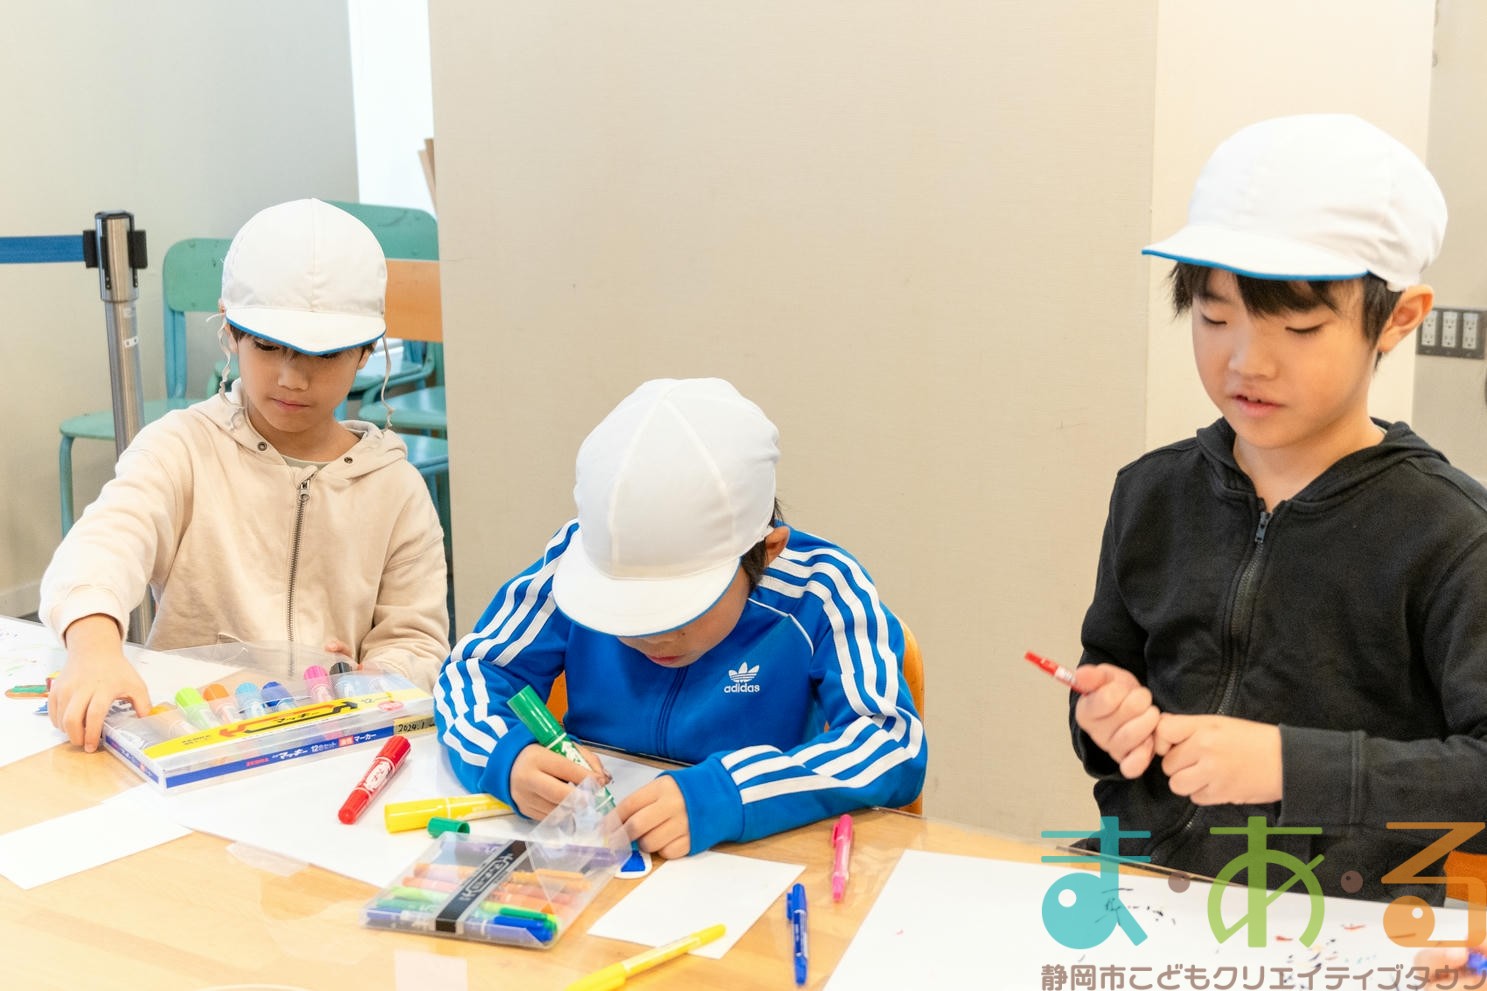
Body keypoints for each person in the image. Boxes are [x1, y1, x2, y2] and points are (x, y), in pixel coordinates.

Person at [1069, 114, 1487, 903]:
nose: (1245, 361)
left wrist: (1291, 768)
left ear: (1398, 317)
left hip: (1341, 921)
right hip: (1143, 891)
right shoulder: (1151, 491)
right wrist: (1103, 718)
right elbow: (1110, 668)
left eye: (1297, 326)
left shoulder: (1452, 533)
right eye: (1213, 317)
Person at [436, 377, 925, 858]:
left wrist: (731, 794)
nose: (652, 636)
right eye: (622, 608)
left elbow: (891, 742)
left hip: (750, 862)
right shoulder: (575, 558)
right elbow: (473, 671)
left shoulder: (821, 588)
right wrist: (506, 756)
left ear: (768, 550)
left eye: (683, 608)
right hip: (595, 851)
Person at [41, 198, 450, 751]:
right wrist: (93, 648)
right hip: (193, 739)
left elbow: (418, 641)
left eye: (325, 355)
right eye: (267, 346)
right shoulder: (183, 448)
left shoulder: (394, 490)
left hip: (333, 743)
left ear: (365, 352)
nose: (293, 379)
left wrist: (374, 678)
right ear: (230, 330)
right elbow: (103, 544)